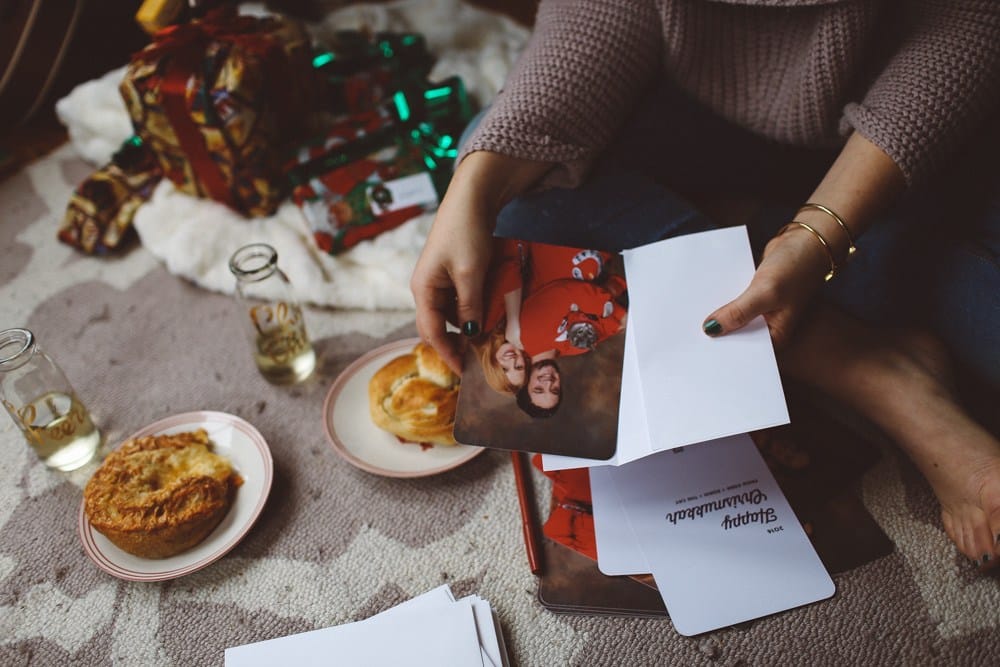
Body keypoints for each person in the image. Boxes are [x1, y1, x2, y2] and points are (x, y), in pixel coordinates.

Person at [411, 0, 1000, 569]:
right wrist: (471, 191)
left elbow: (970, 25)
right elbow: (594, 18)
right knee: (502, 180)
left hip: (914, 140)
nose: (531, 372)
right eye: (533, 383)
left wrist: (817, 236)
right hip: (693, 123)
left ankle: (771, 267)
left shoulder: (559, 328)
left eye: (521, 374)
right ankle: (871, 369)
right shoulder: (568, 343)